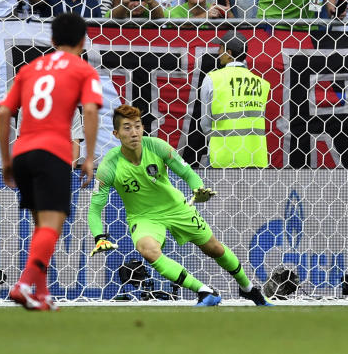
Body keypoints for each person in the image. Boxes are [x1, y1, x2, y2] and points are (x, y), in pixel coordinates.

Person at [88, 104, 271, 307]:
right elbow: (95, 208)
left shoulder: (158, 147)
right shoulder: (109, 166)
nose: (134, 133)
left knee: (215, 249)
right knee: (147, 249)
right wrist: (99, 236)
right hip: (144, 217)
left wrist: (198, 189)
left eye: (137, 126)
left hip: (177, 208)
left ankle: (248, 289)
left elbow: (187, 173)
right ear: (116, 133)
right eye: (127, 128)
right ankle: (205, 291)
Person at [0, 12, 103, 310]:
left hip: (23, 153)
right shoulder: (82, 70)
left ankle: (41, 294)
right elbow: (91, 111)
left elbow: (4, 113)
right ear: (83, 40)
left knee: (41, 226)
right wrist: (90, 157)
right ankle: (23, 285)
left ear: (53, 40)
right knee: (51, 226)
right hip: (53, 153)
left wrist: (6, 160)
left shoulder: (30, 68)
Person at [200, 34, 270, 168]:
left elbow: (205, 123)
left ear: (229, 53)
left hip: (222, 156)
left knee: (218, 190)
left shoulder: (212, 79)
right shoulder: (261, 83)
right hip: (254, 157)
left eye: (221, 48)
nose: (218, 52)